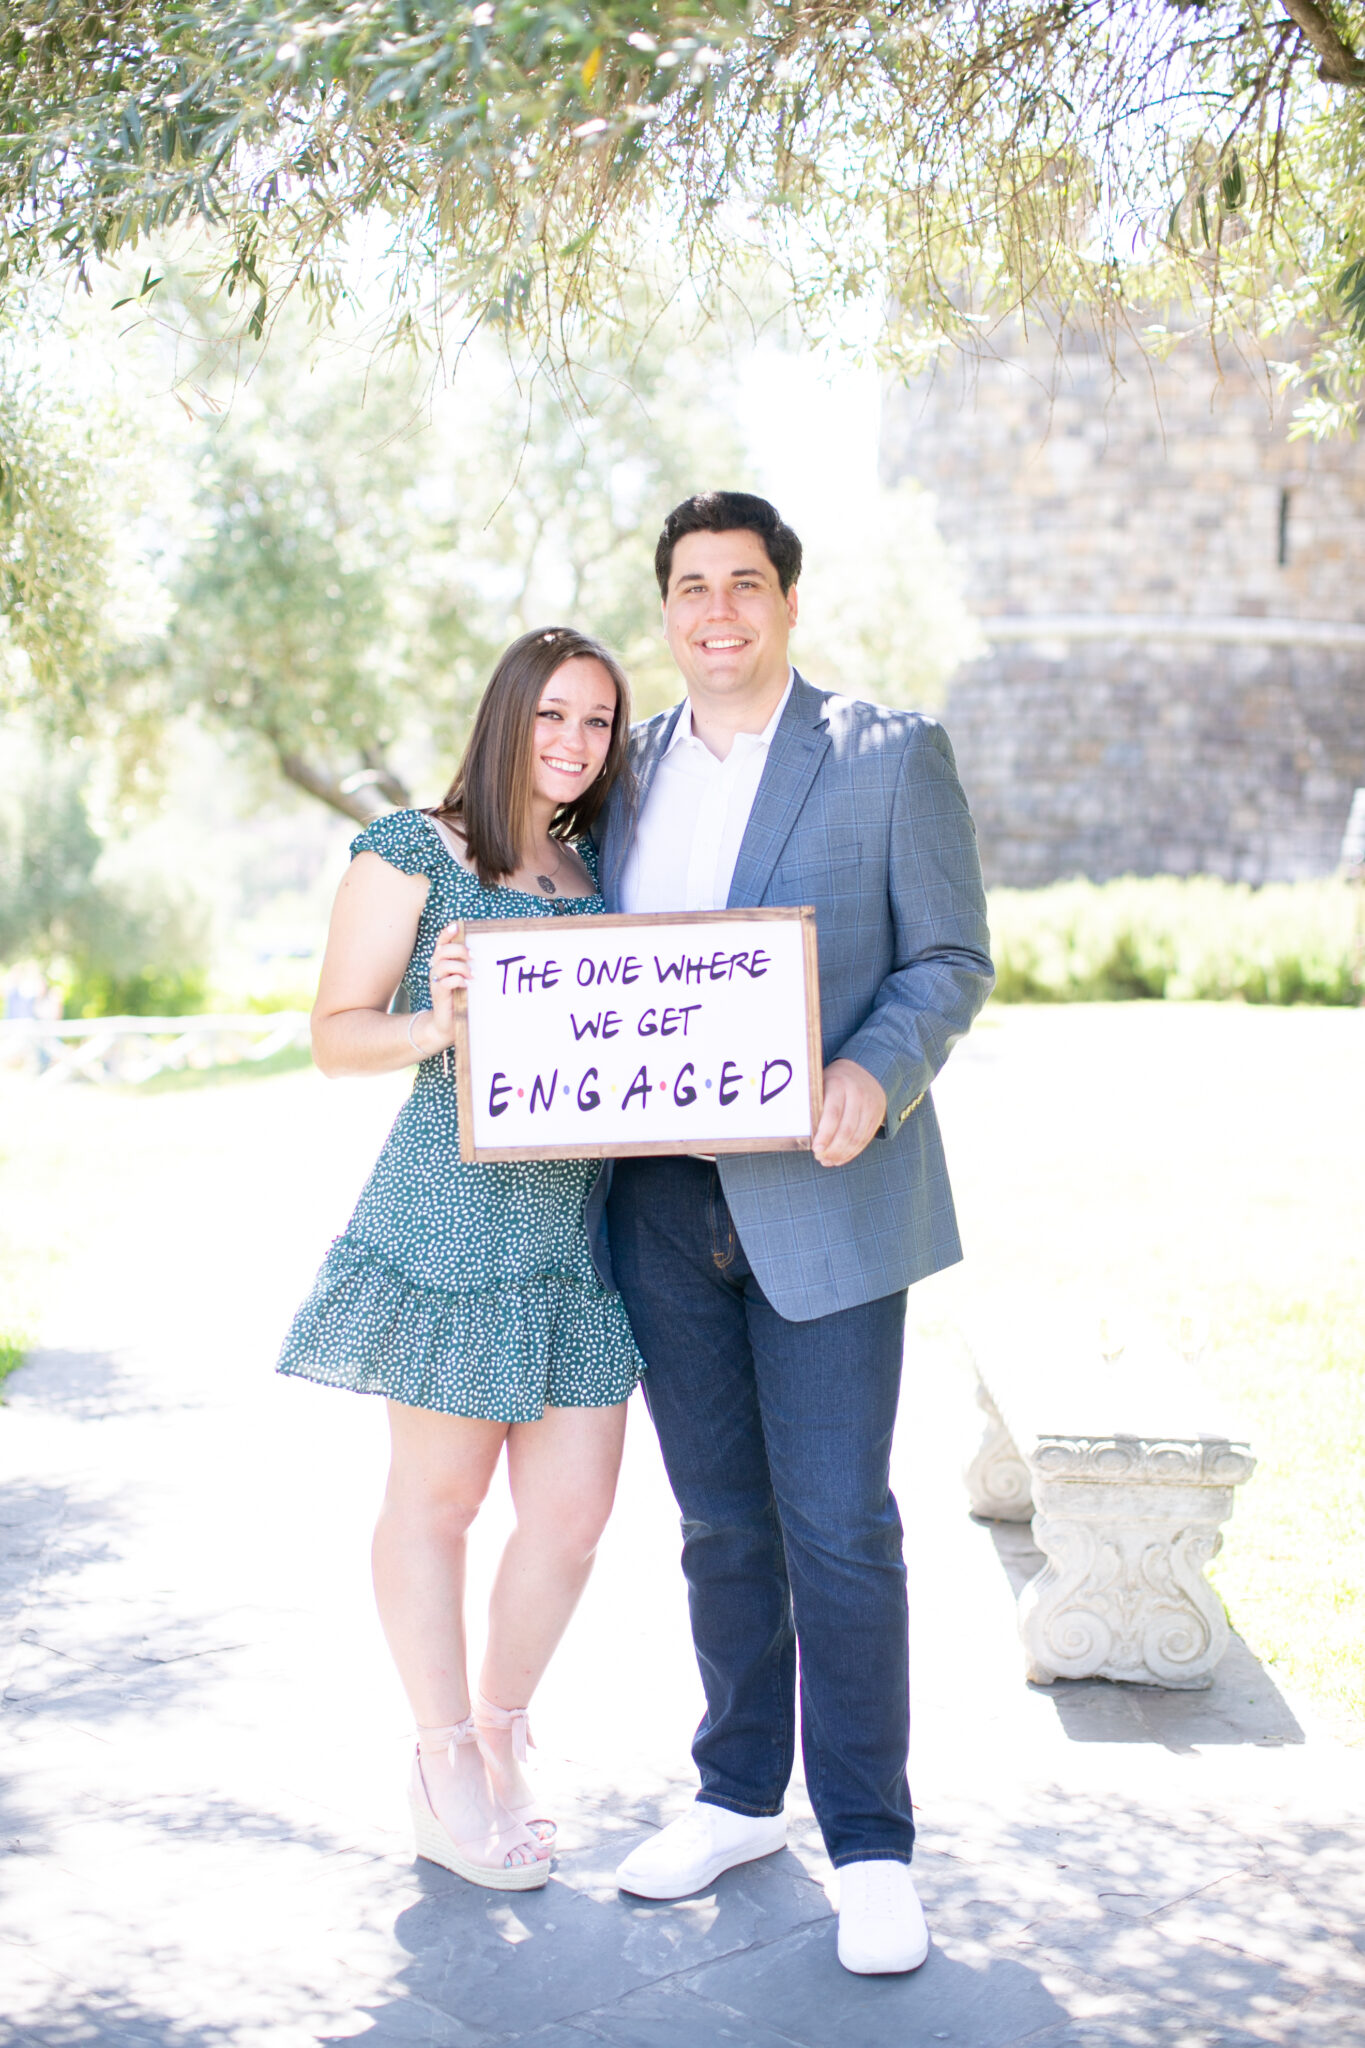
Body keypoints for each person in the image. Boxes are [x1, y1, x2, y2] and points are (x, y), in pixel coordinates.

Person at [591, 492, 993, 1973]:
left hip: (824, 1192)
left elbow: (950, 955)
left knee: (841, 1525)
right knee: (715, 1522)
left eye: (742, 583)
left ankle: (873, 1845)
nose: (716, 611)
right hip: (656, 1201)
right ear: (668, 610)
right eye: (689, 587)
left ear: (789, 602)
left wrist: (867, 1073)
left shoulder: (889, 754)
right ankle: (736, 1791)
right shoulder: (618, 773)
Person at [277, 626, 644, 1892]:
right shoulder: (414, 848)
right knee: (436, 1508)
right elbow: (332, 1036)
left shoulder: (598, 867)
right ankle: (442, 1762)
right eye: (551, 716)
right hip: (449, 1228)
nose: (573, 743)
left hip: (572, 1241)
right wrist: (437, 1025)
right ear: (506, 717)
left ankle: (500, 1726)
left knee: (575, 1518)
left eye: (597, 722)